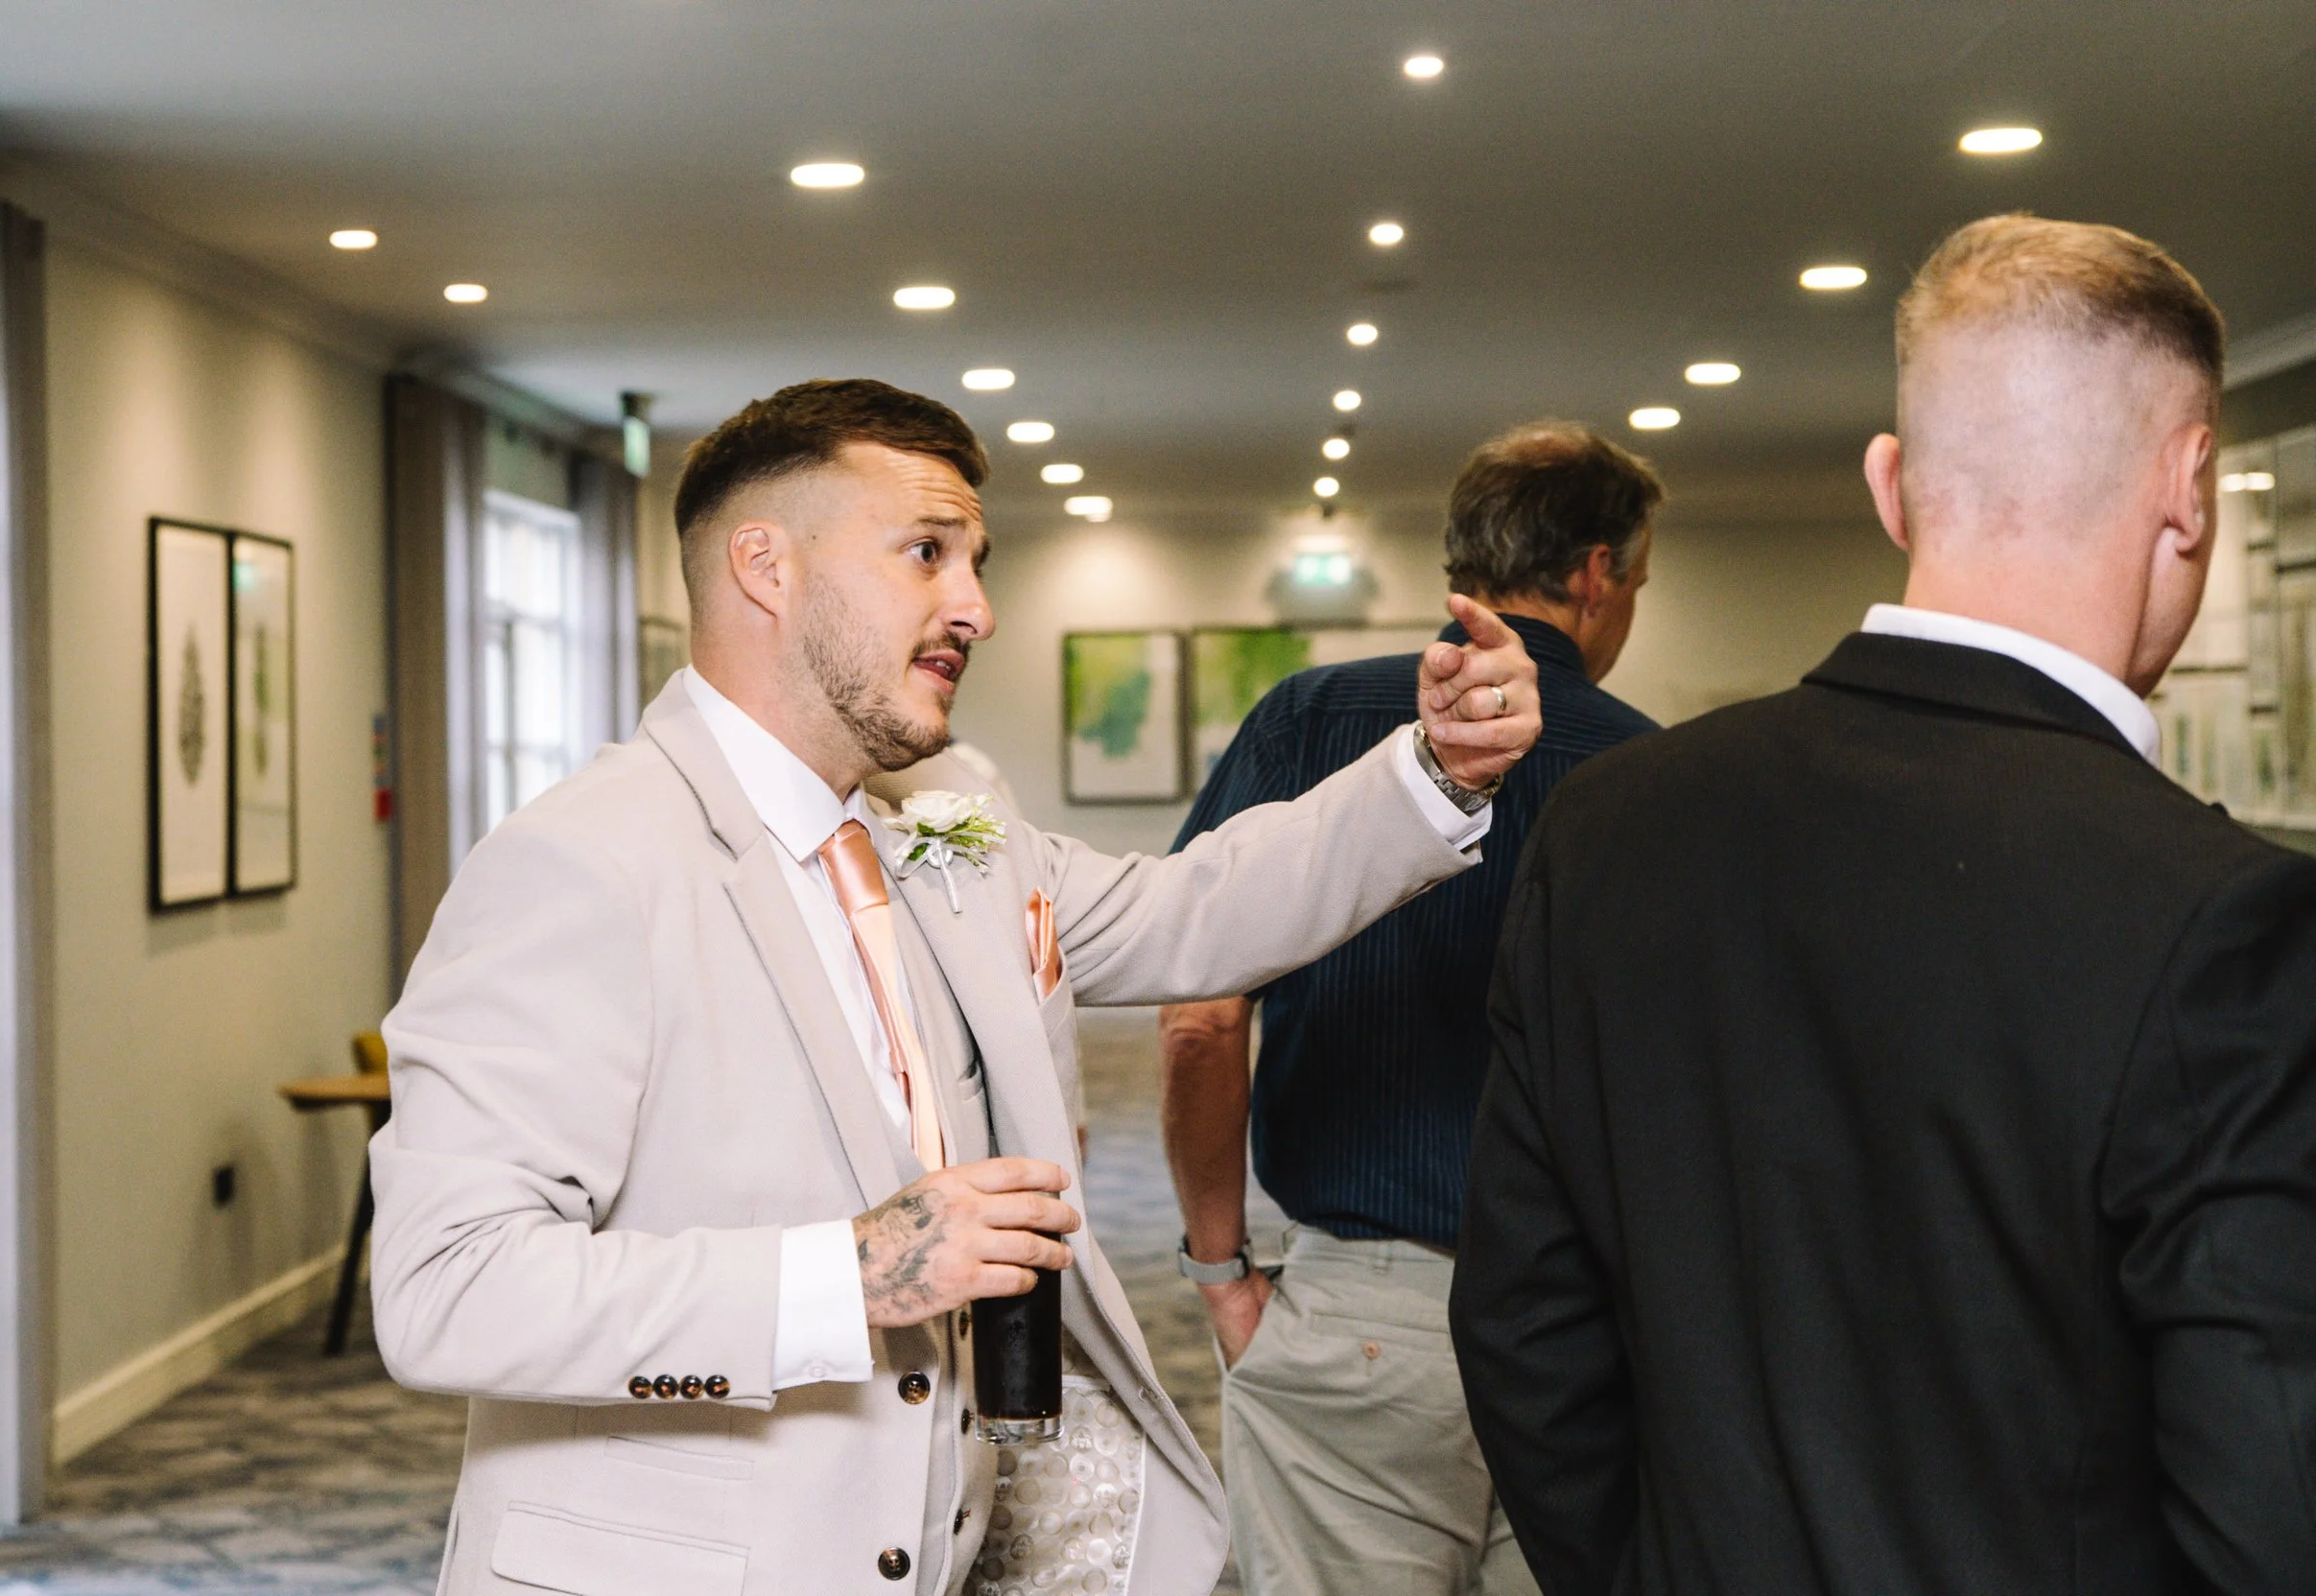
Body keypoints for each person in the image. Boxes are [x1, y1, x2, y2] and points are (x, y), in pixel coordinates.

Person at [367, 378, 1546, 1596]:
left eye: (977, 562)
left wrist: (1436, 772)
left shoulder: (943, 828)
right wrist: (849, 1272)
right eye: (927, 552)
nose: (976, 607)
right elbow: (448, 1287)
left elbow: (1195, 907)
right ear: (765, 567)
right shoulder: (579, 861)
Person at [1451, 214, 2316, 1595]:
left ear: (1891, 486)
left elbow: (1522, 1333)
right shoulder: (2228, 921)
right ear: (2190, 485)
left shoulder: (1608, 827)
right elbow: (2271, 1498)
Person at [1161, 421, 1663, 1596]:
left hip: (1361, 1314)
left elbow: (1199, 1015)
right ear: (1596, 572)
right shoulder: (1655, 773)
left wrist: (1218, 1270)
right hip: (1593, 1323)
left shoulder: (1311, 719)